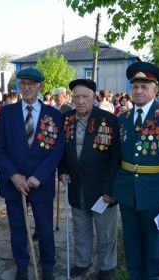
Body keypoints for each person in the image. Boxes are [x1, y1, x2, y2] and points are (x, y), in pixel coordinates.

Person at [0, 67, 64, 280]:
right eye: (23, 84)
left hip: (40, 183)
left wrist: (39, 177)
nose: (27, 87)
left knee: (44, 227)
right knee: (18, 228)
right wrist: (13, 175)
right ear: (19, 87)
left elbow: (57, 150)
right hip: (14, 183)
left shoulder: (53, 115)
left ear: (40, 87)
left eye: (32, 84)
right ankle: (22, 265)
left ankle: (48, 265)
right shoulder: (7, 113)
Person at [113, 61, 159, 279]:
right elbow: (116, 157)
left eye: (144, 86)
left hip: (154, 191)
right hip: (127, 191)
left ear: (155, 90)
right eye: (135, 87)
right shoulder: (122, 119)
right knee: (131, 239)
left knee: (152, 240)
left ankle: (153, 276)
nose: (139, 91)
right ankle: (135, 275)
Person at [59, 79, 120, 280]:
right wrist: (63, 170)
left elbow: (116, 158)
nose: (80, 101)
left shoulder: (108, 120)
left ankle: (107, 266)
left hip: (102, 189)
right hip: (77, 186)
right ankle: (82, 262)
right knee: (80, 229)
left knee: (105, 233)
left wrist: (110, 189)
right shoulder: (66, 118)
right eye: (76, 96)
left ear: (94, 97)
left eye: (85, 96)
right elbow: (62, 152)